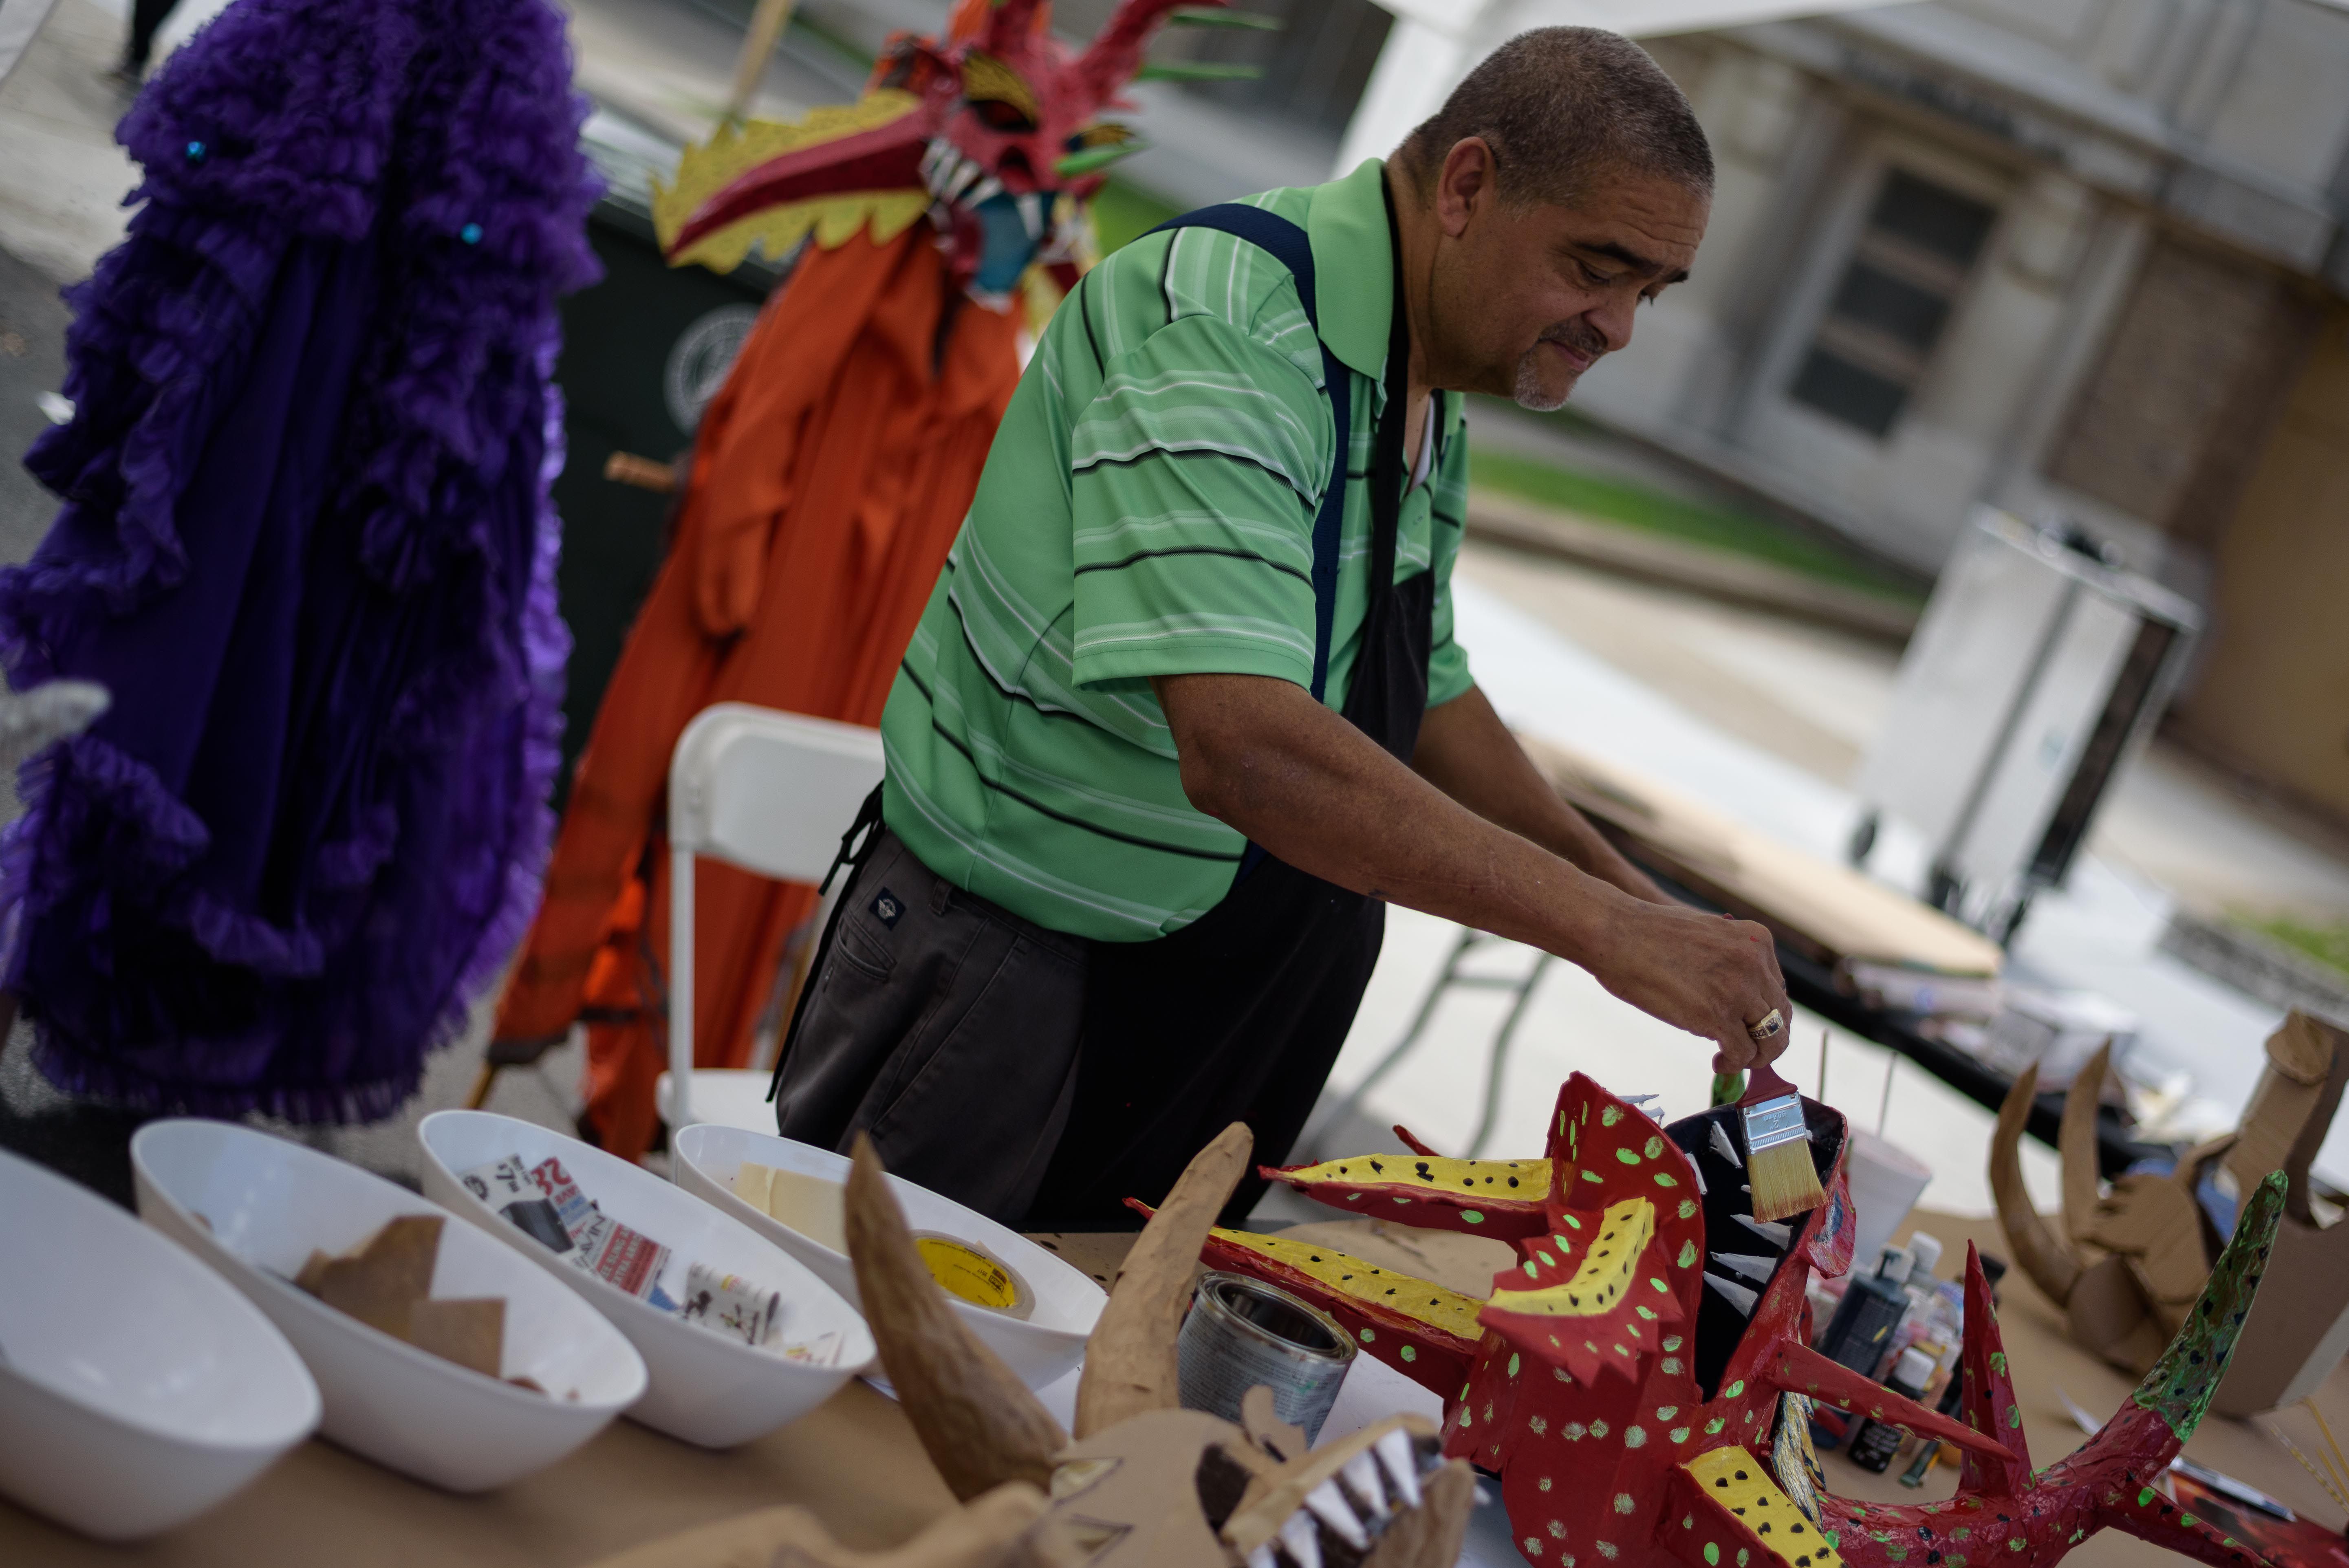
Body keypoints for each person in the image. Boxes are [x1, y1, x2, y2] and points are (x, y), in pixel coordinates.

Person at [770, 26, 1795, 1227]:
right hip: (1017, 980)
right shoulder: (1229, 326)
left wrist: (1638, 900)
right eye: (1595, 268)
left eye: (1647, 293)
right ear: (1466, 185)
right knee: (869, 1378)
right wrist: (1600, 929)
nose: (1617, 327)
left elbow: (1422, 685)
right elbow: (1244, 746)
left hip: (1196, 1002)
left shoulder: (1429, 372)